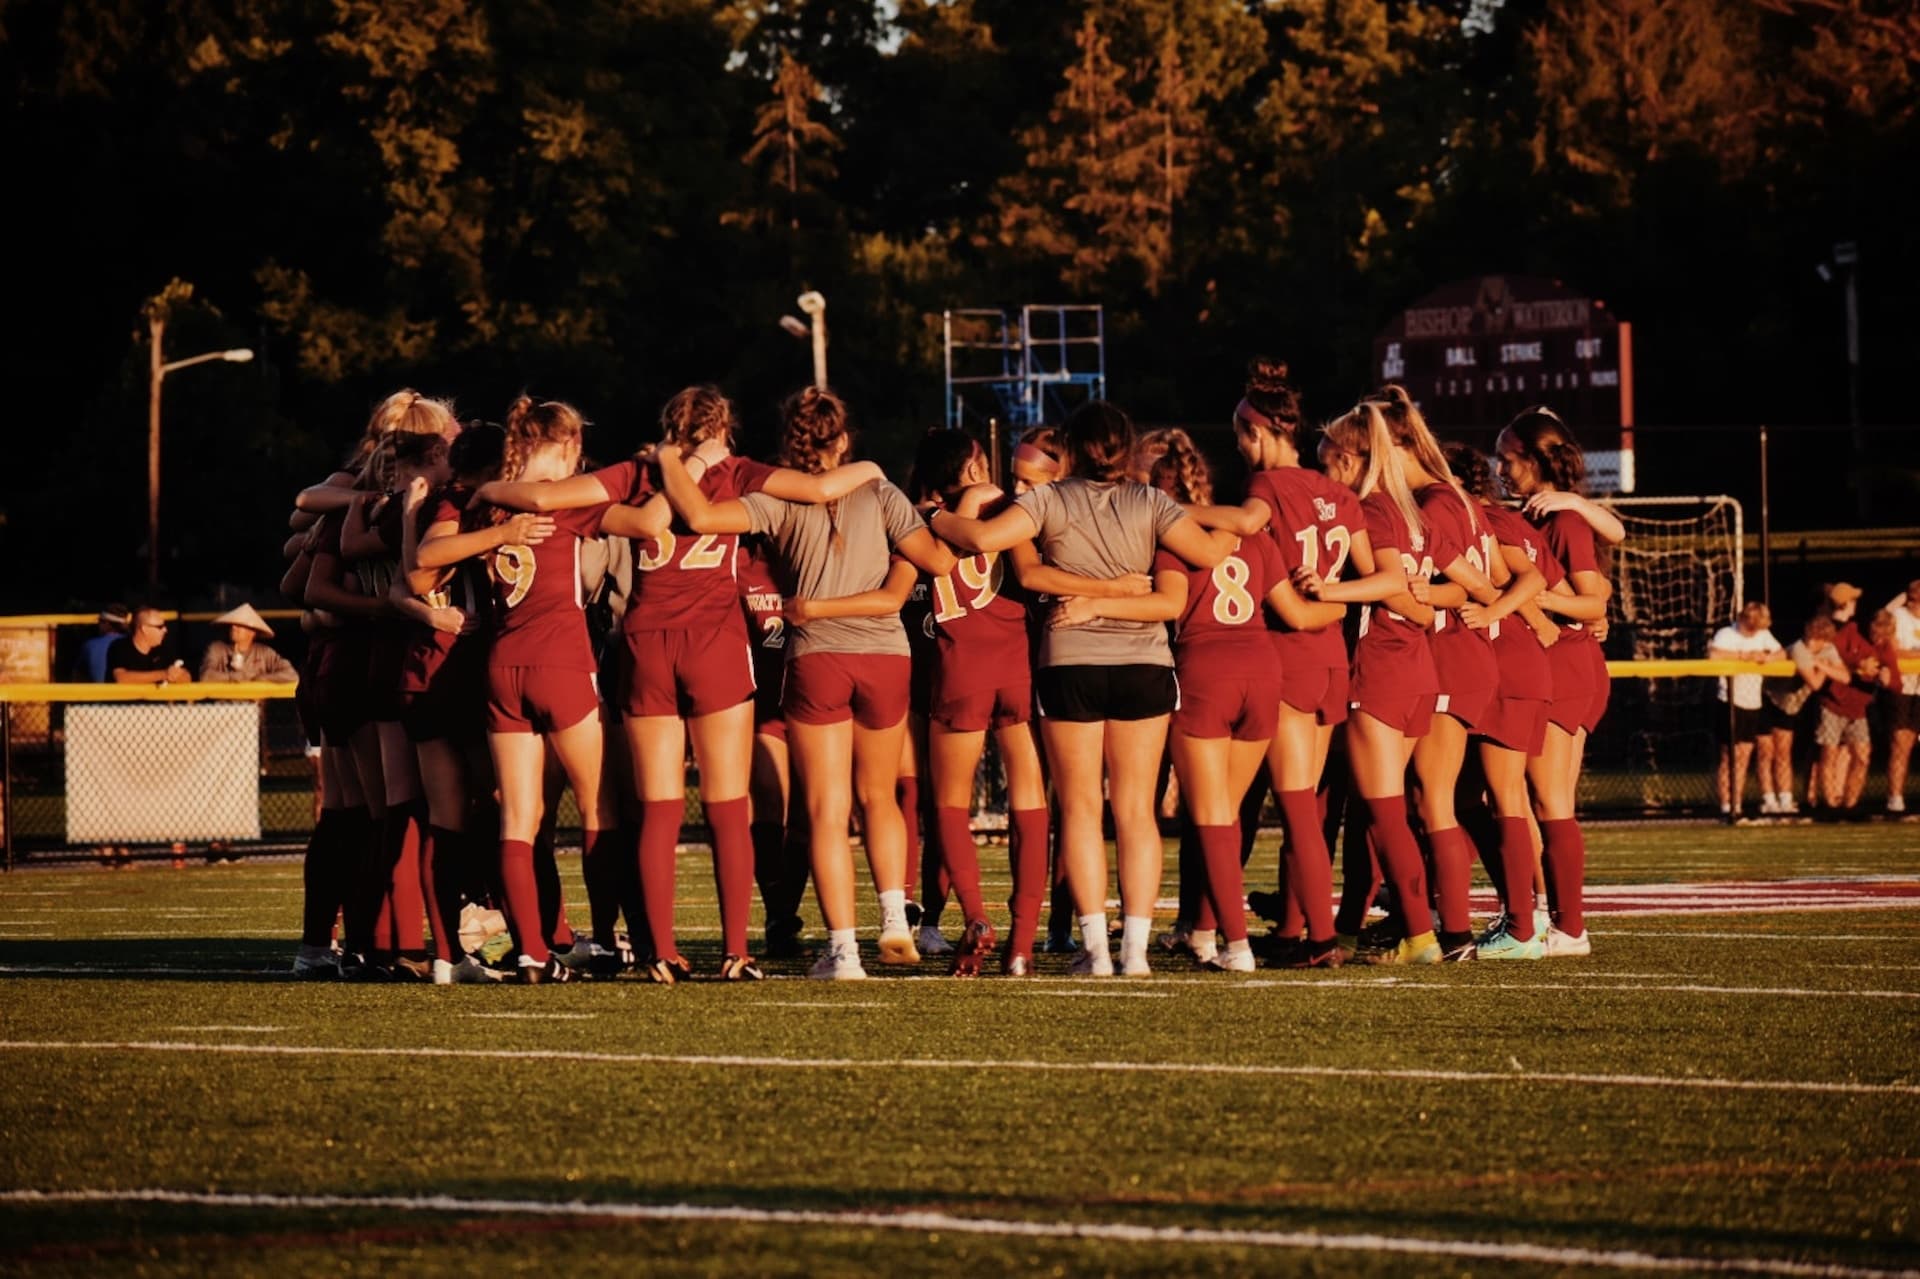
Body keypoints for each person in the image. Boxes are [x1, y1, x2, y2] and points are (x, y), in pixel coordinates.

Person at [476, 383, 886, 983]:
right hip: (714, 643)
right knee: (727, 805)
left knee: (660, 809)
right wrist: (871, 467)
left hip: (646, 645)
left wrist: (487, 489)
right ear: (722, 430)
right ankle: (736, 951)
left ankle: (660, 951)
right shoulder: (737, 471)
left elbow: (542, 496)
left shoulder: (634, 473)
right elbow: (821, 488)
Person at [656, 386, 958, 980]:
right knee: (880, 797)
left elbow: (700, 517)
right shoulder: (881, 491)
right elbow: (941, 562)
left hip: (818, 655)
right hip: (885, 654)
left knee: (824, 810)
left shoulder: (775, 497)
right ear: (843, 439)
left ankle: (843, 951)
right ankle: (894, 919)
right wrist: (900, 552)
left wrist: (670, 458)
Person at [930, 400, 1227, 978]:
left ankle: (1096, 951)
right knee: (1137, 813)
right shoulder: (1151, 502)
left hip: (1071, 662)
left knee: (1082, 811)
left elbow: (988, 540)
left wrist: (935, 517)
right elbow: (1212, 552)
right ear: (1126, 447)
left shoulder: (1048, 499)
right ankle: (1134, 952)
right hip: (1143, 661)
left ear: (1072, 448)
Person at [1185, 359, 1353, 968]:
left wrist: (1165, 510)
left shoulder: (1267, 487)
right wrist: (1337, 600)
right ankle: (1270, 930)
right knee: (1297, 803)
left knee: (1273, 804)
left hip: (1286, 651)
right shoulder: (1338, 491)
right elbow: (1376, 572)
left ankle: (1314, 936)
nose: (1238, 446)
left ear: (1258, 432)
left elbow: (1249, 522)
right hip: (1332, 650)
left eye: (1241, 434)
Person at [1293, 401, 1442, 966]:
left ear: (1350, 457)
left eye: (1327, 459)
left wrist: (1326, 590)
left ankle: (1420, 935)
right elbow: (1423, 601)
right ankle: (1369, 928)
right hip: (1414, 667)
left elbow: (1390, 580)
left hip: (1381, 669)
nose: (1323, 470)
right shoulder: (1406, 510)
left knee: (1385, 813)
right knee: (1381, 812)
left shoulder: (1373, 509)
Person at [1492, 407, 1613, 958]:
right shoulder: (1531, 514)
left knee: (1550, 799)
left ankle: (1567, 926)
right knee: (1526, 797)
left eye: (1508, 459)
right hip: (1552, 662)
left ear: (1536, 459)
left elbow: (1592, 602)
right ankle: (1547, 916)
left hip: (1565, 664)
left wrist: (1529, 596)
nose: (1500, 469)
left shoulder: (1564, 519)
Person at [1814, 585, 1896, 819]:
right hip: (1833, 700)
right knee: (1829, 753)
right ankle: (1830, 805)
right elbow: (1830, 657)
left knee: (1861, 754)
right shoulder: (1833, 628)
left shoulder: (1860, 630)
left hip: (1857, 706)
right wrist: (1858, 666)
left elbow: (1890, 670)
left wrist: (1886, 675)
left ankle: (1850, 804)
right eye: (1852, 601)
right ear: (1845, 603)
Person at [1709, 601, 1784, 819]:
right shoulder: (1726, 634)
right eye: (1751, 627)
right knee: (1730, 756)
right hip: (1730, 702)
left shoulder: (1763, 635)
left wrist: (1766, 657)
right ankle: (1726, 804)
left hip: (1752, 702)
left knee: (1744, 755)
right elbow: (1714, 655)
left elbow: (1781, 653)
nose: (1754, 633)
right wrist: (1744, 657)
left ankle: (1737, 802)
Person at [1882, 579, 1920, 816]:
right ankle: (1895, 799)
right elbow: (1893, 650)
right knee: (1900, 743)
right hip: (1903, 689)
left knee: (1911, 742)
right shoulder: (1898, 617)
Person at [197, 604, 301, 684]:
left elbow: (291, 675)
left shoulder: (265, 653)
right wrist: (235, 677)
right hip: (224, 703)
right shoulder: (217, 649)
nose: (234, 627)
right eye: (232, 624)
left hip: (256, 703)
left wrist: (259, 678)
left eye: (240, 625)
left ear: (252, 632)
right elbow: (206, 676)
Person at [108, 608, 190, 684]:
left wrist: (178, 675)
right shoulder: (120, 647)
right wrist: (164, 674)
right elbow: (121, 678)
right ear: (145, 629)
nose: (165, 630)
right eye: (160, 627)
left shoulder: (163, 650)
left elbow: (187, 677)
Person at [78, 606, 132, 682]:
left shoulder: (90, 645)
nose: (98, 625)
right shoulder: (134, 643)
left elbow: (78, 675)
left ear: (106, 623)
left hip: (99, 689)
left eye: (100, 621)